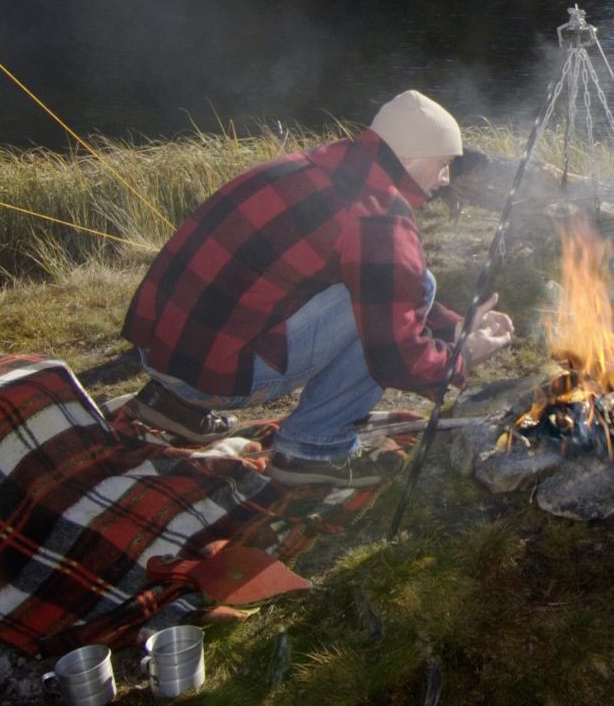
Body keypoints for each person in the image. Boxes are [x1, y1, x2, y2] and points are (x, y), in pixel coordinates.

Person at [120, 89, 515, 486]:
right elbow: (393, 354)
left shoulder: (326, 162)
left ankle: (172, 406)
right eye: (443, 165)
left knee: (390, 286)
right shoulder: (379, 214)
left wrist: (454, 327)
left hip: (163, 352)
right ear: (409, 156)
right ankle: (312, 448)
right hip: (212, 376)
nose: (445, 180)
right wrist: (461, 359)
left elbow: (381, 283)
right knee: (416, 288)